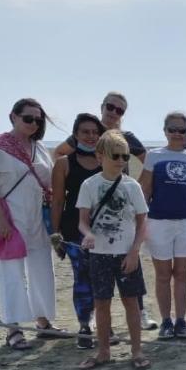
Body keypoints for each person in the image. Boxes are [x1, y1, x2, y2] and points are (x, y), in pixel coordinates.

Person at [54, 91, 155, 330]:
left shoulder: (126, 137)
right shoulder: (85, 133)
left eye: (120, 110)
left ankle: (140, 312)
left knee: (129, 269)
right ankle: (89, 320)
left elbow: (149, 161)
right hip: (82, 218)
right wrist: (62, 174)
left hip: (119, 217)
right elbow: (59, 153)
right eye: (110, 107)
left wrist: (139, 188)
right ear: (102, 106)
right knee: (86, 274)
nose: (113, 112)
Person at [0, 98, 59, 349]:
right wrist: (1, 219)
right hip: (11, 217)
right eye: (28, 118)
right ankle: (13, 329)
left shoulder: (39, 147)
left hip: (38, 217)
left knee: (41, 267)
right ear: (13, 116)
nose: (33, 123)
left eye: (38, 120)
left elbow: (49, 181)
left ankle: (43, 322)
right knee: (11, 271)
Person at [75, 130, 150, 370]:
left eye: (125, 156)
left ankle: (136, 350)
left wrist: (134, 252)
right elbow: (82, 221)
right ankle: (104, 351)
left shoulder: (132, 186)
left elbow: (142, 223)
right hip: (99, 255)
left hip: (126, 254)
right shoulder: (89, 185)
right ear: (100, 157)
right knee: (102, 303)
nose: (120, 161)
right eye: (115, 156)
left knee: (132, 302)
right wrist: (88, 234)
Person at [140, 112, 186, 340]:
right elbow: (145, 189)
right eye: (173, 130)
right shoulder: (154, 156)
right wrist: (140, 221)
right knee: (162, 275)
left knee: (181, 274)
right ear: (165, 131)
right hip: (158, 222)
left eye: (182, 130)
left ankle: (180, 320)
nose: (177, 134)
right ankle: (166, 322)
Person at [49, 113, 106, 349]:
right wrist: (55, 232)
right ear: (75, 135)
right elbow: (57, 200)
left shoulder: (109, 161)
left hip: (105, 229)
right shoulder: (64, 163)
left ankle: (103, 322)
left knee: (103, 277)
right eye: (85, 132)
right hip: (74, 229)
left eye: (95, 132)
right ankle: (84, 325)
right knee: (82, 277)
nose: (91, 136)